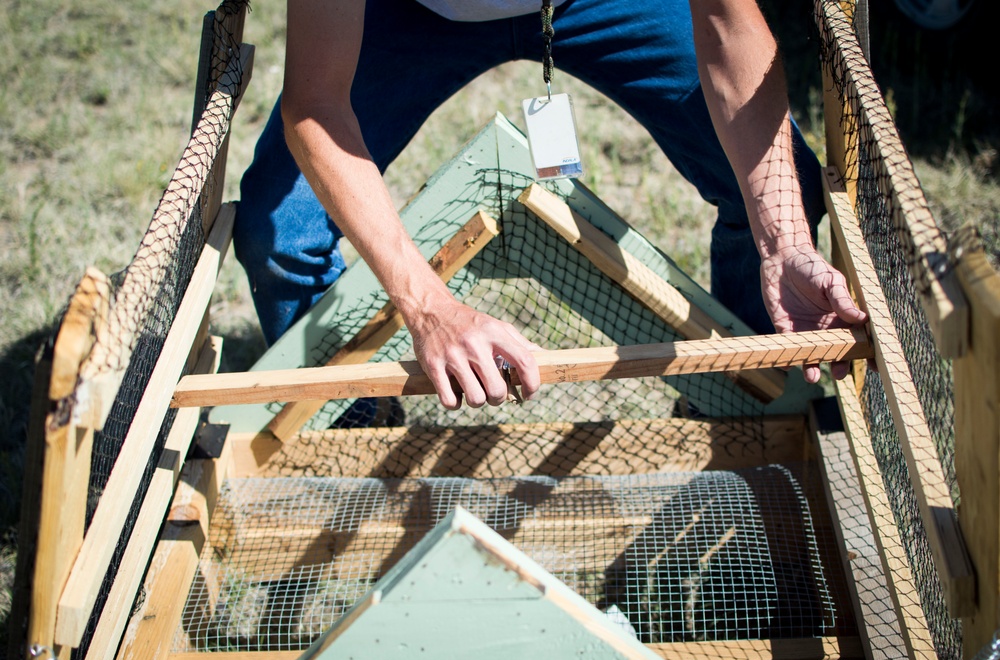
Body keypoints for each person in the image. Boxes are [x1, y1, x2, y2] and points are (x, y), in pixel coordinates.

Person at [233, 0, 867, 413]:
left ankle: (736, 410)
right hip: (411, 13)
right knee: (279, 229)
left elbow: (731, 24)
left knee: (786, 184)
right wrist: (429, 307)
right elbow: (314, 105)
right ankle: (350, 428)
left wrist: (785, 241)